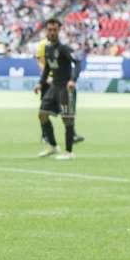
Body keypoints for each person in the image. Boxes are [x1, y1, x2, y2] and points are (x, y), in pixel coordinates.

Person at [36, 18, 80, 160]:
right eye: (50, 30)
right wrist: (40, 83)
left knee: (67, 119)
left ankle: (69, 152)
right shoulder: (47, 48)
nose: (52, 32)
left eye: (55, 30)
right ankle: (53, 146)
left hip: (65, 87)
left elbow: (77, 63)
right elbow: (47, 68)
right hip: (54, 86)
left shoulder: (64, 48)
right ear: (46, 31)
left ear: (59, 31)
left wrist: (73, 80)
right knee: (42, 114)